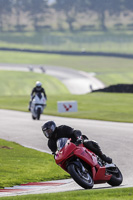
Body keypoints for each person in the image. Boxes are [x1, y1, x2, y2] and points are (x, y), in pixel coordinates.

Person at [41, 121, 112, 164]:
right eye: (46, 132)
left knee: (88, 143)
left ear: (53, 128)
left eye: (49, 131)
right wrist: (56, 156)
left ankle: (102, 156)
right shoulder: (50, 143)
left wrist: (79, 139)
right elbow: (55, 153)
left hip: (78, 143)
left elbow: (75, 131)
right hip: (68, 152)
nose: (48, 133)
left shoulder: (62, 128)